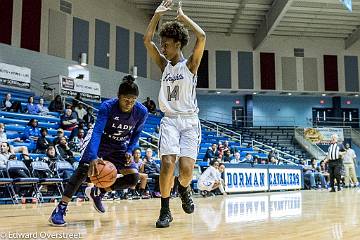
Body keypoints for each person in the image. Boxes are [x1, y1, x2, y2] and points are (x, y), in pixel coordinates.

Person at [49, 75, 148, 226]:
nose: (129, 103)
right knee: (83, 170)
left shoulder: (141, 112)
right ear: (118, 96)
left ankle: (99, 192)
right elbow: (97, 131)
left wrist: (129, 150)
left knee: (133, 178)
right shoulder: (107, 107)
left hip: (120, 145)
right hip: (101, 140)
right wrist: (94, 155)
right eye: (126, 99)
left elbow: (136, 134)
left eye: (133, 100)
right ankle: (60, 209)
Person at [144, 0, 206, 228]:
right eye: (163, 44)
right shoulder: (164, 65)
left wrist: (183, 18)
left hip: (189, 122)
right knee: (168, 163)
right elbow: (146, 40)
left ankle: (184, 187)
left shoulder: (190, 66)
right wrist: (157, 14)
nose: (163, 48)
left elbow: (202, 37)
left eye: (167, 44)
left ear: (178, 44)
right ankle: (164, 210)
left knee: (186, 171)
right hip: (169, 120)